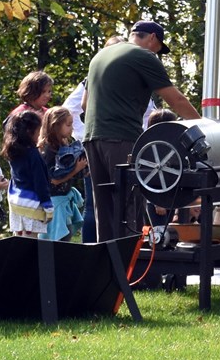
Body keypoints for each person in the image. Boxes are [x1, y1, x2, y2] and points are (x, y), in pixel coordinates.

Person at [82, 20, 200, 242]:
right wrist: (203, 127)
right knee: (129, 207)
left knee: (104, 210)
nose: (158, 54)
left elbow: (84, 105)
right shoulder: (143, 56)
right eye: (159, 48)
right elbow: (175, 100)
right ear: (153, 38)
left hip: (92, 138)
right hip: (121, 138)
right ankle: (132, 270)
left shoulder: (100, 56)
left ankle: (108, 270)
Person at [64, 35, 157, 242]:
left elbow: (147, 113)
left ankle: (120, 255)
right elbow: (74, 108)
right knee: (100, 205)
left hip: (118, 139)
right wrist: (83, 137)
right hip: (103, 142)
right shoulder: (93, 78)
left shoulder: (128, 77)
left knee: (116, 203)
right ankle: (103, 251)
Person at [38, 106, 88, 241]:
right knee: (58, 239)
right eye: (68, 125)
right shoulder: (48, 149)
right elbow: (53, 180)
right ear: (55, 126)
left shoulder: (64, 144)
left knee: (67, 235)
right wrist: (76, 169)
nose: (71, 128)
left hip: (64, 198)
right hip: (54, 202)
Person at [0, 110, 54, 237]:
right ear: (30, 132)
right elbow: (40, 182)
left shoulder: (13, 151)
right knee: (31, 242)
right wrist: (48, 206)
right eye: (38, 130)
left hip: (16, 203)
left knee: (19, 240)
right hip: (32, 206)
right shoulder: (34, 155)